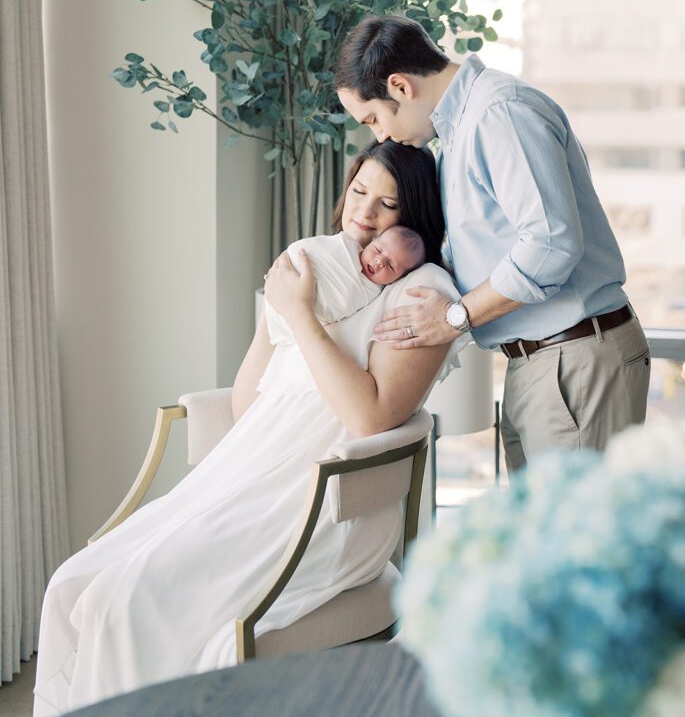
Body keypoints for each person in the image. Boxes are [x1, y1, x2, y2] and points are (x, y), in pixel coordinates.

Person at [33, 141, 461, 716]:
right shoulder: (319, 266)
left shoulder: (421, 289)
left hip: (322, 506)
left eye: (388, 204)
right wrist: (277, 311)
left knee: (124, 598)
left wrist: (303, 315)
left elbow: (371, 416)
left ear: (414, 216)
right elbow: (247, 406)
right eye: (360, 191)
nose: (365, 213)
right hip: (250, 475)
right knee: (73, 584)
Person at [335, 15, 651, 472]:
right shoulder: (459, 133)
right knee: (538, 537)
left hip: (573, 361)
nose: (379, 136)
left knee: (570, 541)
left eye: (373, 118)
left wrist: (454, 318)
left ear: (400, 87)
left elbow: (550, 245)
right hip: (542, 361)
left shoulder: (497, 112)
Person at [265, 225, 426, 346]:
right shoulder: (345, 246)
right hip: (285, 281)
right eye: (378, 250)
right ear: (372, 241)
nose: (379, 261)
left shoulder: (374, 295)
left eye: (391, 266)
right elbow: (317, 249)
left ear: (398, 279)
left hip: (303, 317)